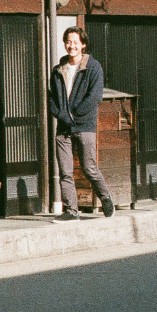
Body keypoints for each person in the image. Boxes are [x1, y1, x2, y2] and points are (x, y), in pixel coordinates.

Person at [47, 26, 115, 220]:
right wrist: (60, 114)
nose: (72, 46)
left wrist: (74, 115)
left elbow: (94, 97)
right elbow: (51, 97)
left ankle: (105, 196)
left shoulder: (93, 67)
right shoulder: (58, 70)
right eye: (68, 41)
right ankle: (71, 211)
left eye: (76, 42)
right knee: (65, 171)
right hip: (63, 127)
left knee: (89, 168)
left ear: (83, 44)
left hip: (84, 125)